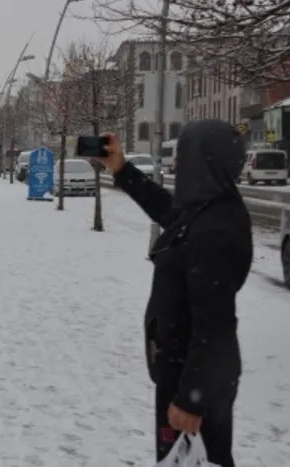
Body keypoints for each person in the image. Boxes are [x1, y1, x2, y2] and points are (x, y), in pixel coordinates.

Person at [97, 121, 252, 466]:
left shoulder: (216, 231)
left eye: (183, 155)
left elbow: (215, 325)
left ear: (206, 160)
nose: (177, 164)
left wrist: (192, 399)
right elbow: (165, 208)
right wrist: (121, 169)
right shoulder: (205, 211)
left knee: (202, 459)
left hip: (196, 380)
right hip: (184, 372)